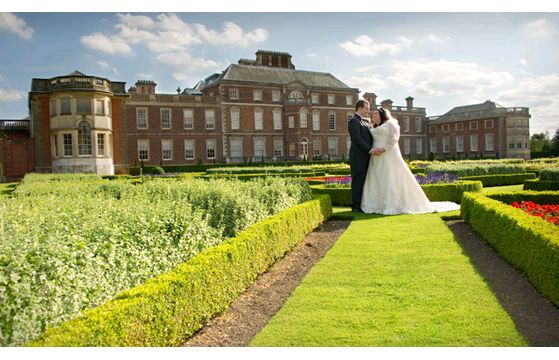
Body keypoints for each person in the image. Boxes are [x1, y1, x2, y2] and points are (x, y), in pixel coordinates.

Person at [361, 107, 460, 215]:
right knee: (377, 178)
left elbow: (394, 138)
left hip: (387, 154)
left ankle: (391, 205)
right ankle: (377, 204)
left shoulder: (391, 123)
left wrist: (384, 149)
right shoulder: (374, 126)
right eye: (373, 114)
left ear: (381, 115)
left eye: (375, 114)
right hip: (375, 156)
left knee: (390, 177)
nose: (373, 115)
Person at [347, 99, 383, 213]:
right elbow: (357, 140)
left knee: (367, 181)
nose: (368, 111)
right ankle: (355, 206)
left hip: (368, 157)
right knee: (358, 181)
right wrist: (371, 150)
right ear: (360, 108)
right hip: (358, 157)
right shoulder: (354, 121)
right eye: (366, 108)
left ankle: (364, 204)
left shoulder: (367, 121)